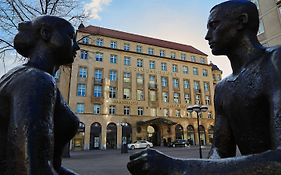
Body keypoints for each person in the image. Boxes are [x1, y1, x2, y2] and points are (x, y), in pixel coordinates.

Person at [127, 1, 281, 174]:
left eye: (214, 25)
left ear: (241, 21)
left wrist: (177, 167)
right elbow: (219, 153)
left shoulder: (275, 61)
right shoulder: (222, 88)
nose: (207, 36)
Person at [0, 16, 80, 175]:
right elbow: (32, 168)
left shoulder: (20, 75)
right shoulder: (37, 80)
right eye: (71, 37)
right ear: (45, 33)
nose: (77, 47)